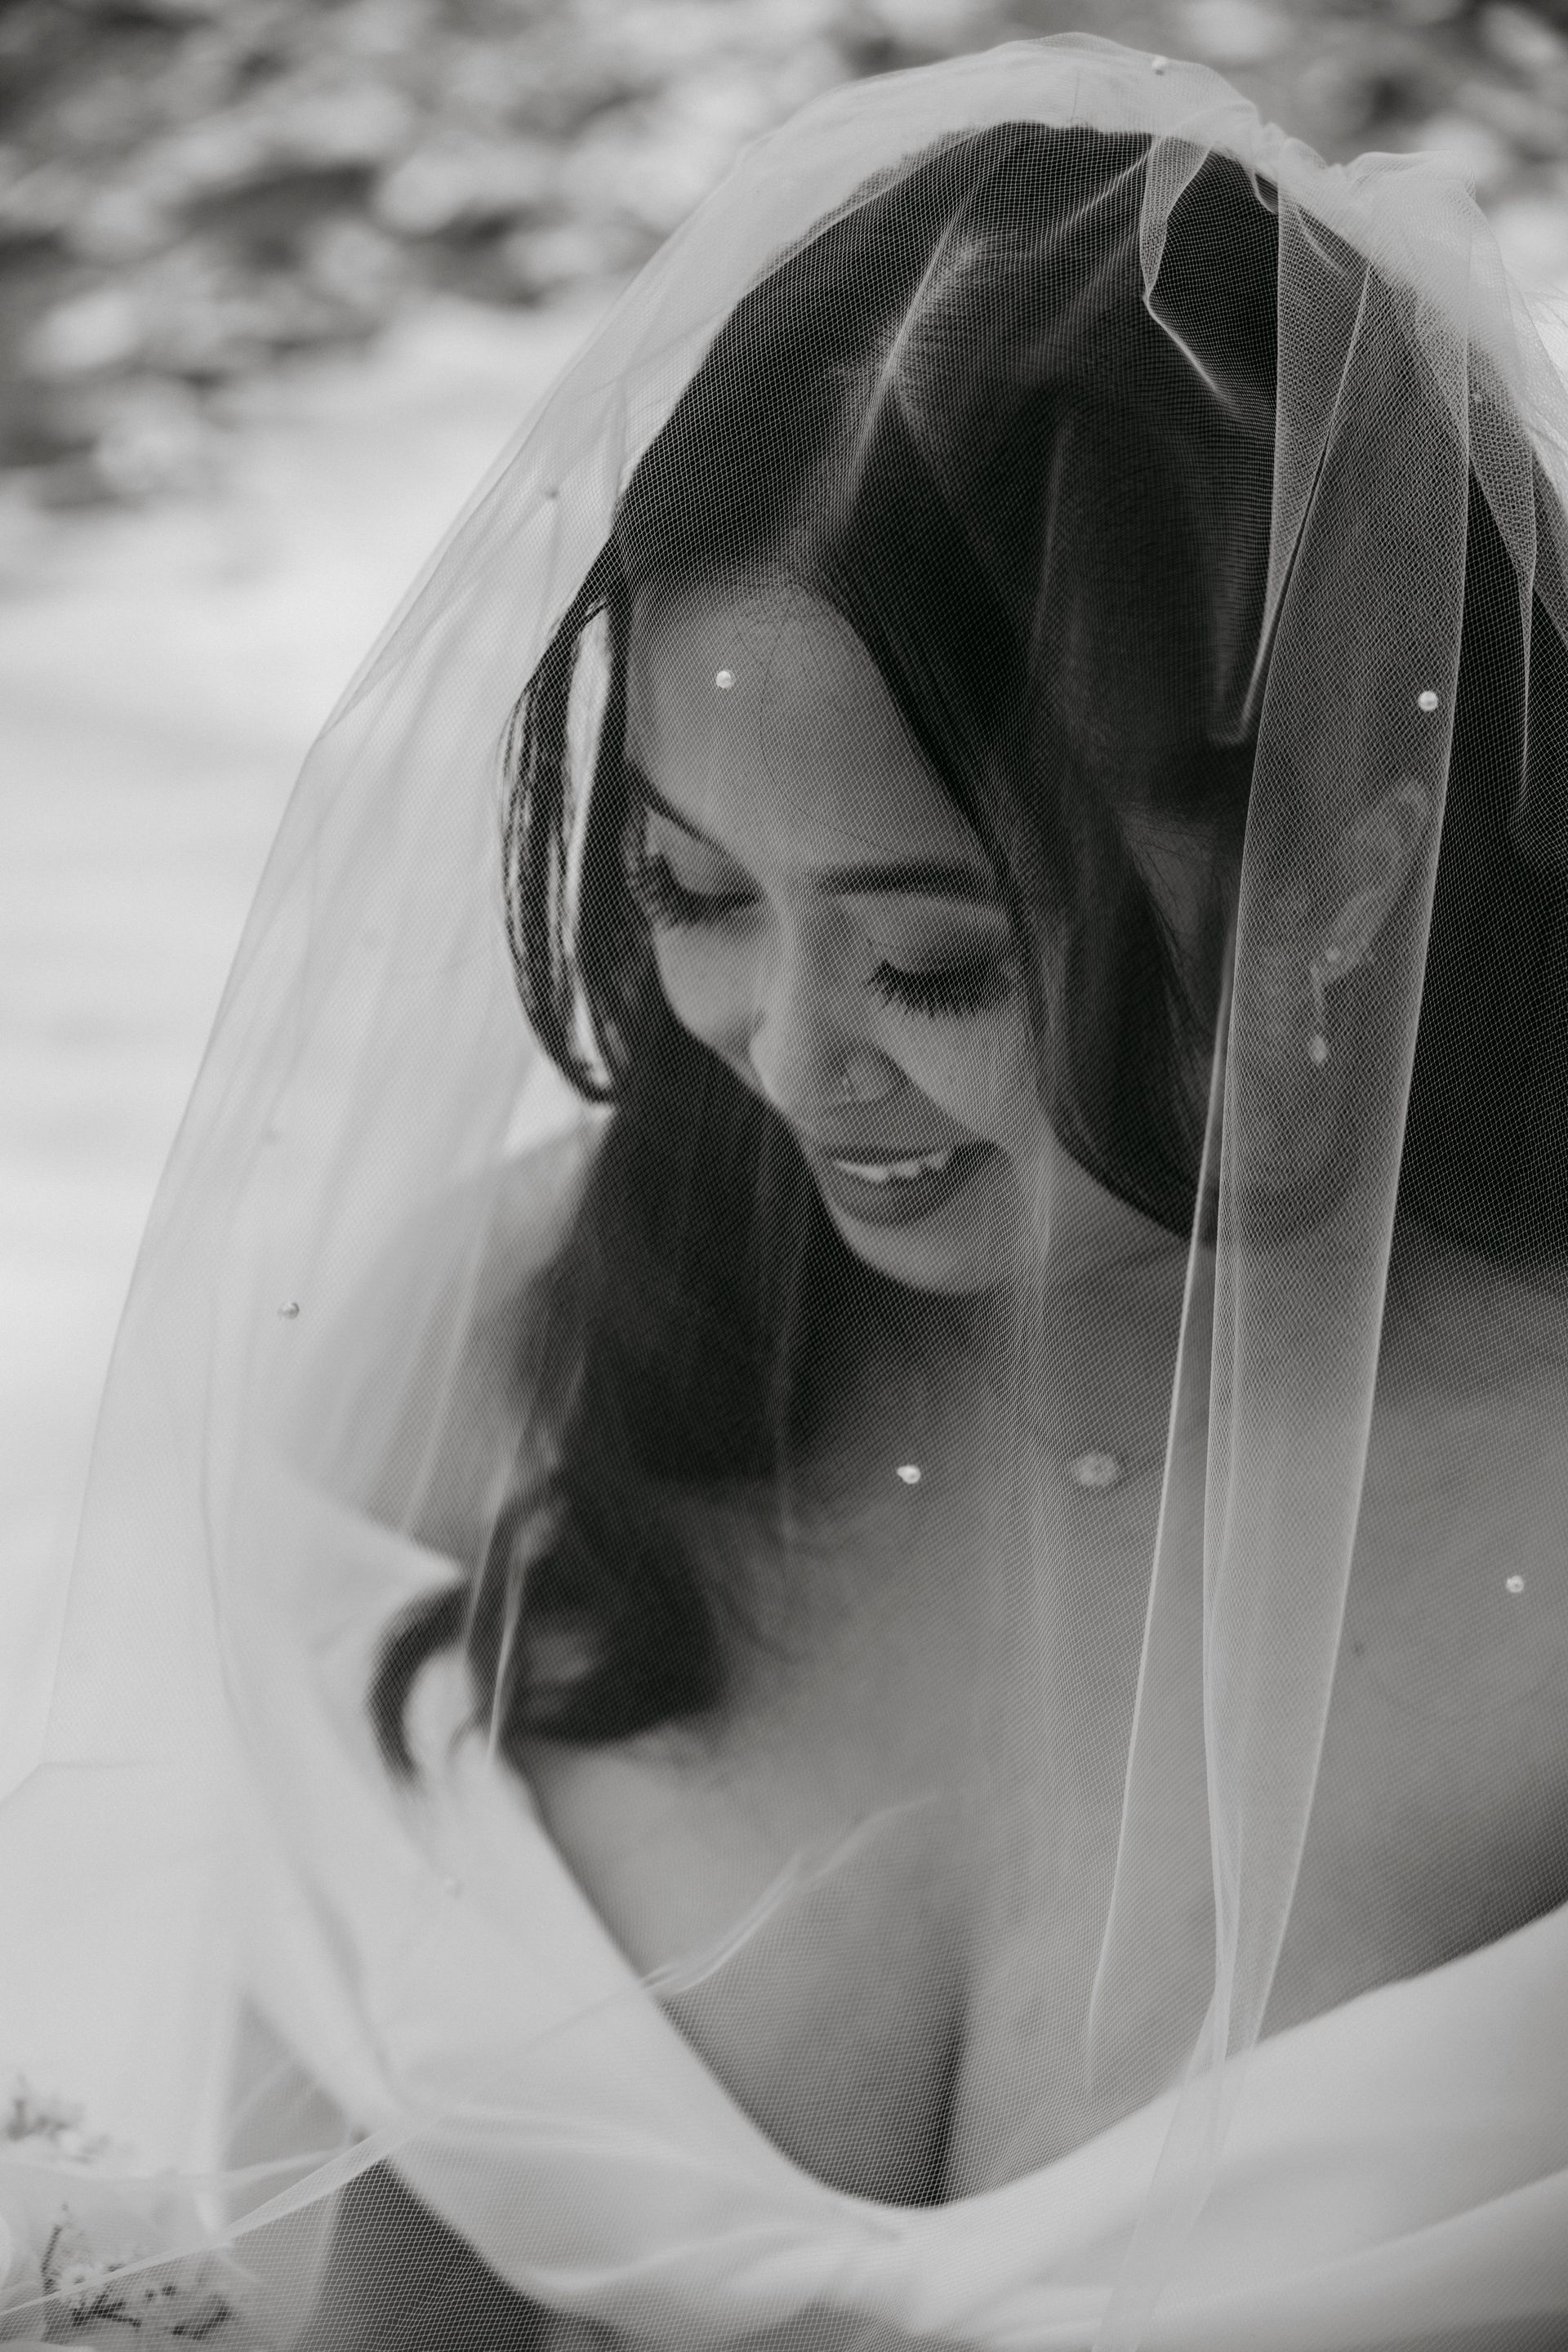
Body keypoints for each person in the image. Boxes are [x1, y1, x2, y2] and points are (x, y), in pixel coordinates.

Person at [4, 33, 1568, 2352]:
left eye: (935, 953)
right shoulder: (519, 1356)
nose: (787, 1056)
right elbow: (378, 2256)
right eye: (692, 888)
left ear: (1349, 866)